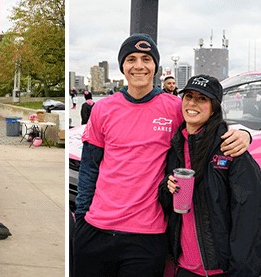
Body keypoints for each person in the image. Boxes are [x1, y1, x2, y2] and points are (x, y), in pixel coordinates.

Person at [74, 34, 251, 276]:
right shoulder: (102, 108)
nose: (139, 65)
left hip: (148, 234)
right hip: (96, 229)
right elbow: (89, 166)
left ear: (155, 66)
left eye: (146, 59)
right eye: (131, 59)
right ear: (122, 66)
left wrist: (243, 134)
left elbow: (207, 127)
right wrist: (82, 218)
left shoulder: (174, 107)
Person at [160, 75, 261, 277]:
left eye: (202, 98)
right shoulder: (175, 147)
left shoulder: (228, 148)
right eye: (188, 96)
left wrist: (242, 270)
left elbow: (249, 215)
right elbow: (165, 205)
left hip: (219, 269)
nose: (193, 103)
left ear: (213, 107)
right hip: (184, 267)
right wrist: (167, 188)